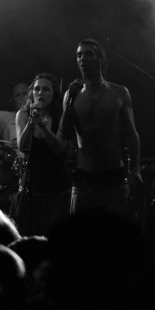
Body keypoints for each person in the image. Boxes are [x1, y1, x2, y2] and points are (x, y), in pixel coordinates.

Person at [59, 39, 141, 215]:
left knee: (116, 231)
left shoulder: (118, 93)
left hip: (113, 175)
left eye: (89, 54)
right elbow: (64, 134)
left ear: (101, 59)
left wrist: (135, 169)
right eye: (79, 55)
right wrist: (70, 101)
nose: (83, 58)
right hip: (84, 176)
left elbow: (131, 133)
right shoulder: (71, 95)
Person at [13, 73, 71, 235]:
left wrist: (44, 127)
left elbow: (59, 148)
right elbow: (22, 146)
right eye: (37, 89)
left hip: (57, 186)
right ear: (31, 93)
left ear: (54, 94)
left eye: (46, 89)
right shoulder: (23, 115)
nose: (40, 93)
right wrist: (31, 123)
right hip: (32, 186)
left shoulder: (61, 116)